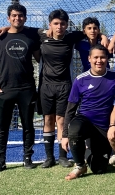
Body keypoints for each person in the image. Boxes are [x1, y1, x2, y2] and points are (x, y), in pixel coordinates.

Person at [0, 3, 40, 173]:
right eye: (14, 16)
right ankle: (1, 161)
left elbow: (40, 59)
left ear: (25, 17)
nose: (17, 18)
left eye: (21, 16)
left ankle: (27, 158)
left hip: (27, 89)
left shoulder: (32, 35)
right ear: (8, 17)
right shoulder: (0, 37)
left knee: (28, 126)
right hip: (4, 90)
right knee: (2, 128)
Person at [61, 44, 115, 180]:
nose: (99, 61)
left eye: (102, 57)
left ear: (107, 58)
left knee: (99, 169)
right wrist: (65, 135)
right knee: (75, 130)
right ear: (89, 58)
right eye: (95, 57)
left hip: (104, 127)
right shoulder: (80, 79)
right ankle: (80, 165)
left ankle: (89, 150)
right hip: (85, 120)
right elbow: (70, 109)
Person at [37, 9, 87, 168]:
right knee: (48, 120)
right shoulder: (41, 35)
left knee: (61, 120)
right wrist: (2, 29)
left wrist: (106, 38)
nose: (60, 26)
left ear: (67, 24)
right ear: (50, 24)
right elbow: (21, 30)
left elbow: (90, 31)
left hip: (65, 86)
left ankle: (62, 156)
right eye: (56, 23)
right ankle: (49, 157)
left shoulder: (71, 37)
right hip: (46, 86)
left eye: (63, 23)